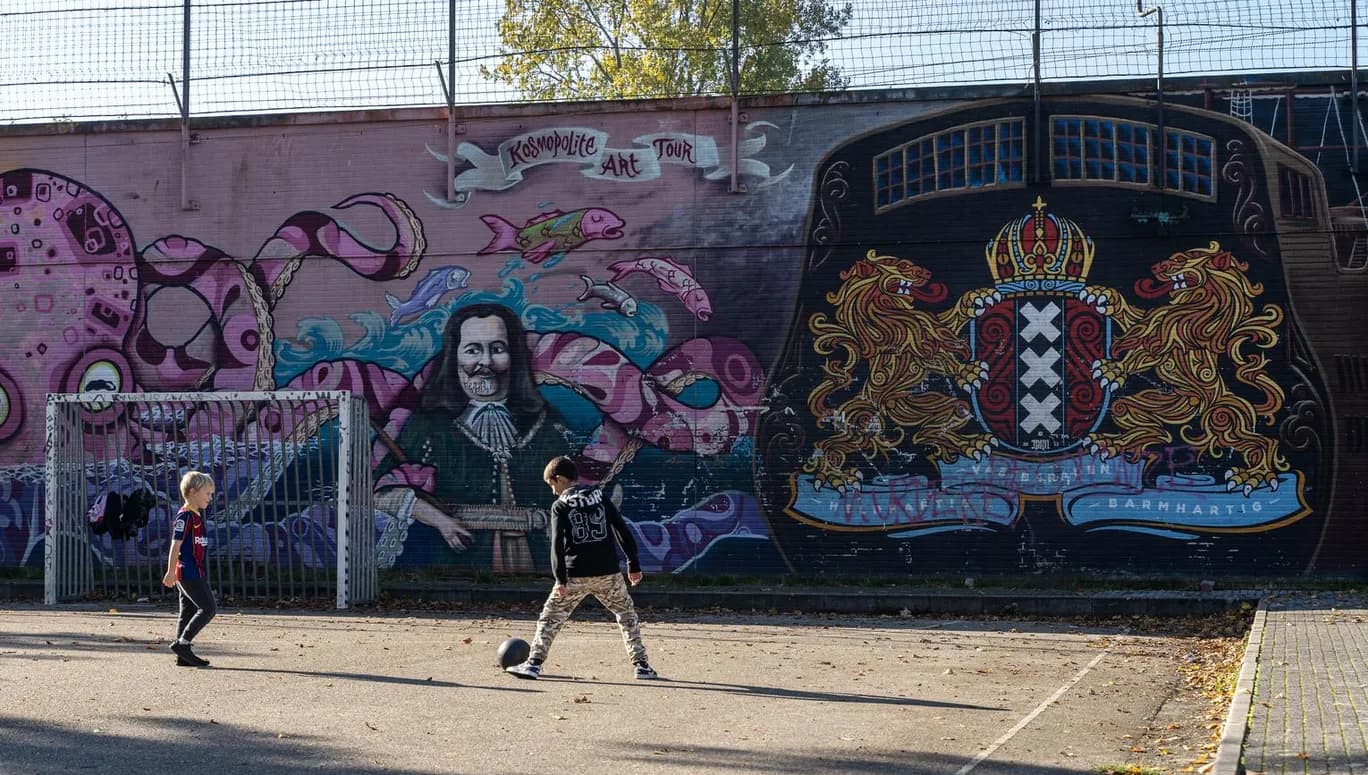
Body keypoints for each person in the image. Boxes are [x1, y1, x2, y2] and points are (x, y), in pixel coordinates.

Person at [375, 303, 570, 573]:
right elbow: (381, 493)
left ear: (514, 356)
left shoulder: (547, 424)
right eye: (473, 350)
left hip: (537, 555)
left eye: (497, 349)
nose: (485, 362)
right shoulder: (429, 426)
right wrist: (440, 521)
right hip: (456, 558)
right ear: (454, 357)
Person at [506, 455, 659, 680]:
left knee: (551, 618)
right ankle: (642, 666)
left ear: (559, 479)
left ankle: (533, 664)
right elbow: (622, 530)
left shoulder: (560, 506)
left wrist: (560, 578)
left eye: (552, 485)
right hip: (608, 572)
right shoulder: (600, 497)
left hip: (575, 574)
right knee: (626, 615)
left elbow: (557, 544)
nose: (553, 491)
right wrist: (633, 564)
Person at [162, 470, 216, 668]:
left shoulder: (196, 515)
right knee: (209, 608)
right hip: (188, 572)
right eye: (207, 493)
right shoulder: (185, 516)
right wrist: (170, 572)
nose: (210, 498)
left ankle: (182, 656)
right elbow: (175, 545)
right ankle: (182, 644)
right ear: (193, 492)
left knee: (188, 611)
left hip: (194, 571)